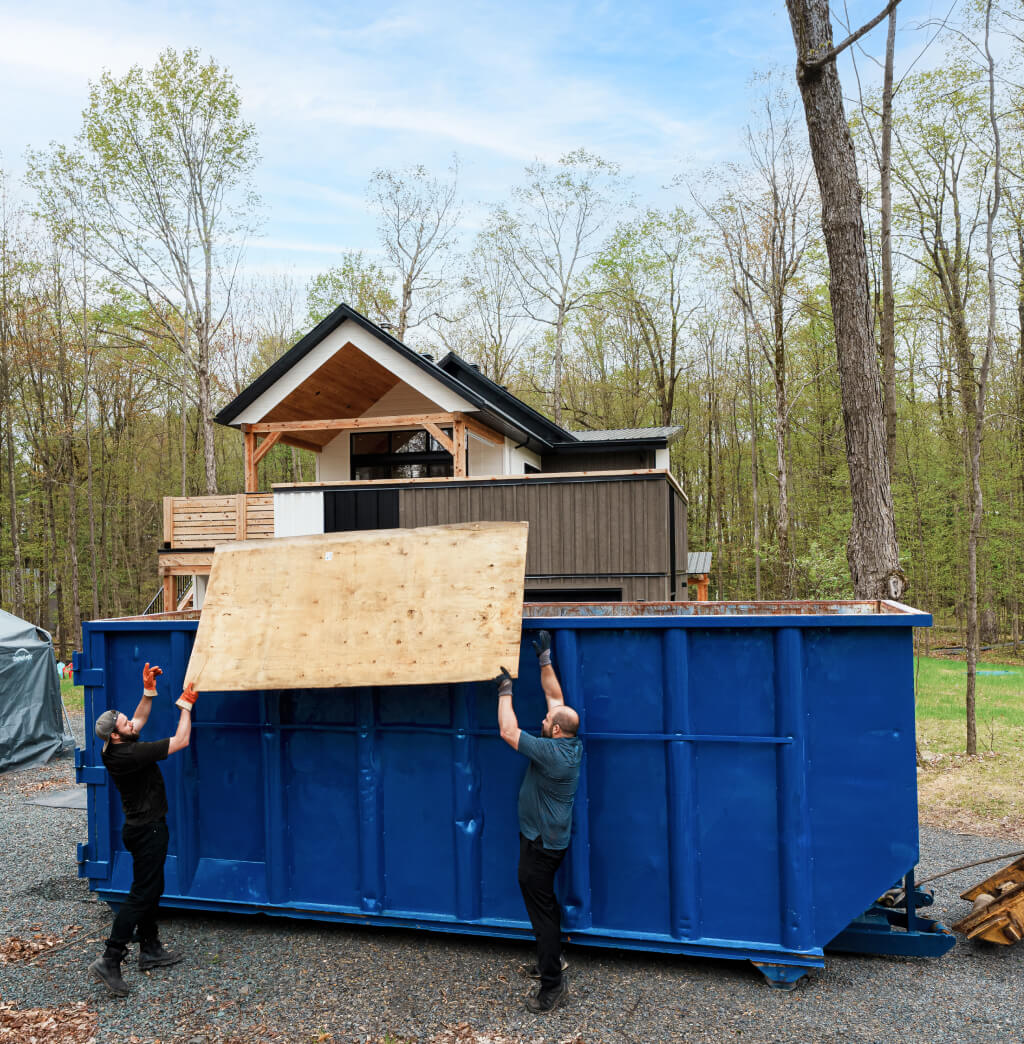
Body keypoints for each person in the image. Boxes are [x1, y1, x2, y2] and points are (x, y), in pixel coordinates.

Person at [88, 662, 198, 997]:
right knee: (140, 895)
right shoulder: (132, 754)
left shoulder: (113, 748)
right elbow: (181, 740)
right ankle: (110, 958)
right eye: (124, 723)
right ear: (118, 735)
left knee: (152, 887)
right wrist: (186, 705)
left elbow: (139, 719)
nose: (131, 722)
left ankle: (149, 948)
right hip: (147, 830)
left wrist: (148, 692)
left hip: (139, 830)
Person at [497, 630, 582, 1014]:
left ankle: (552, 987)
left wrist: (504, 690)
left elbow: (507, 731)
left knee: (542, 913)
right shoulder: (570, 741)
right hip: (547, 840)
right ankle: (552, 962)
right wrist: (544, 659)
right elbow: (556, 699)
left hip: (541, 846)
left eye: (548, 721)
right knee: (545, 905)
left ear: (556, 731)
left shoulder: (551, 753)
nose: (544, 719)